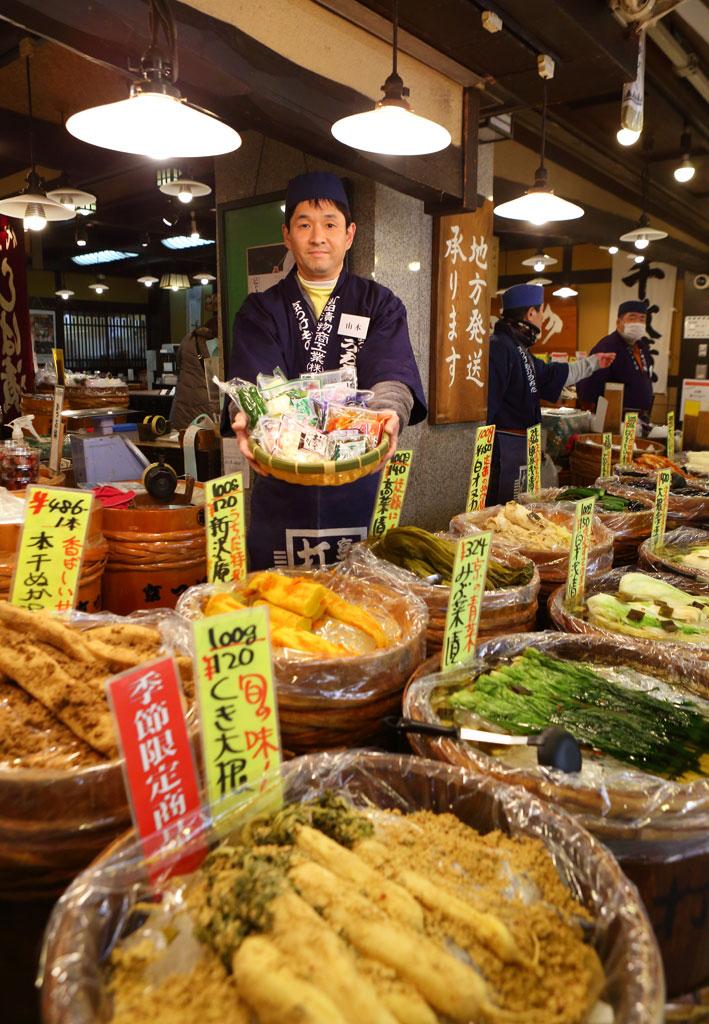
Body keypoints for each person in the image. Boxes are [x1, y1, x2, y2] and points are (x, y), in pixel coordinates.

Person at [224, 171, 426, 570]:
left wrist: (389, 413)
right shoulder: (260, 310)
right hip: (282, 475)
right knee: (279, 603)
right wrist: (243, 415)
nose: (318, 237)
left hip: (357, 475)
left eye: (330, 224)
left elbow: (392, 373)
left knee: (362, 598)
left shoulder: (379, 304)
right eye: (304, 225)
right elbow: (250, 386)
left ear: (349, 234)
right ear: (287, 235)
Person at [487, 283, 616, 504]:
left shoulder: (519, 348)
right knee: (501, 511)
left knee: (517, 510)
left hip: (520, 447)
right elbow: (489, 405)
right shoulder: (500, 346)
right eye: (540, 313)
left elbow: (550, 374)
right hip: (503, 449)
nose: (542, 321)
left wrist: (593, 363)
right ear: (530, 313)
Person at [575, 299, 654, 419]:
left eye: (642, 319)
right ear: (618, 322)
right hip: (613, 418)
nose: (638, 323)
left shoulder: (642, 347)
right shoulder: (607, 347)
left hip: (637, 419)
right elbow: (588, 384)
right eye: (632, 318)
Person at [170, 294, 220, 429]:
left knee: (184, 443)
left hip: (181, 409)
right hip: (206, 410)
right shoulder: (219, 343)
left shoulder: (188, 338)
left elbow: (179, 366)